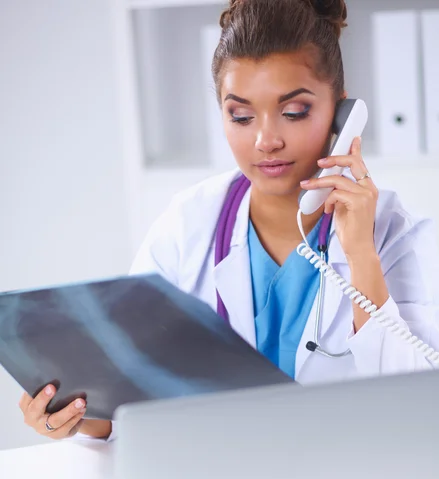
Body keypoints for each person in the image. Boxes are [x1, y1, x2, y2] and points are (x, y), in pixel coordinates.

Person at [19, 0, 439, 441]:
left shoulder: (399, 237)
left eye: (294, 112)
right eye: (240, 115)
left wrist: (360, 256)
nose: (266, 140)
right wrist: (78, 415)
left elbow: (421, 417)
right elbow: (133, 391)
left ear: (341, 110)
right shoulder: (188, 225)